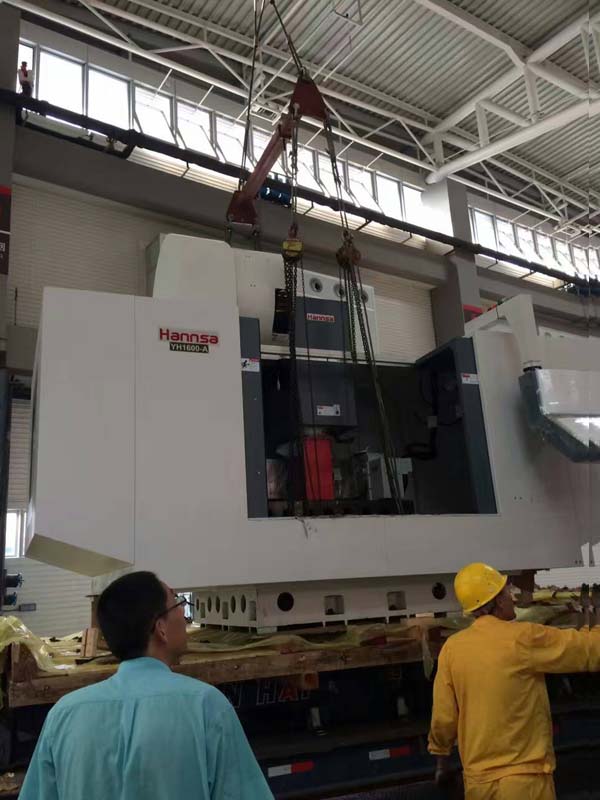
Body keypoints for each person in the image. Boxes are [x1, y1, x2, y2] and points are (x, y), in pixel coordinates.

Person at [20, 571, 274, 800]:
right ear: (160, 628)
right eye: (179, 604)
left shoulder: (63, 715)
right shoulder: (207, 707)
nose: (185, 616)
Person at [428, 562, 600, 800]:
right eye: (507, 592)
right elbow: (589, 649)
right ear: (498, 601)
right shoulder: (522, 638)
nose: (512, 598)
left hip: (479, 786)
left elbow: (443, 717)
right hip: (525, 783)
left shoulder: (452, 649)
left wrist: (441, 764)